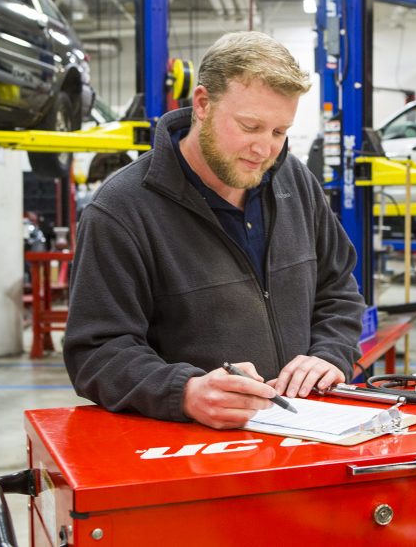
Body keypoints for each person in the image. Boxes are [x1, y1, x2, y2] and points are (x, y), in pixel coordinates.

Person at [63, 31, 365, 429]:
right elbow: (97, 350)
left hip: (302, 433)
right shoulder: (122, 209)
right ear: (203, 104)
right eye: (250, 126)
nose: (264, 150)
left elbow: (338, 288)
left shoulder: (296, 182)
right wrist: (183, 391)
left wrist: (329, 353)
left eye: (278, 132)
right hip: (187, 449)